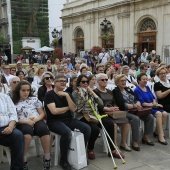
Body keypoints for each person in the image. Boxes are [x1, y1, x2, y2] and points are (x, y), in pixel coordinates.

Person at [44, 75, 91, 170]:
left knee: (87, 128)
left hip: (68, 119)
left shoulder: (67, 94)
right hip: (54, 121)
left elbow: (73, 109)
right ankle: (63, 159)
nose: (63, 83)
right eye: (61, 81)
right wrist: (67, 108)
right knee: (67, 132)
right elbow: (54, 111)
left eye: (65, 81)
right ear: (55, 83)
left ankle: (81, 154)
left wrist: (66, 96)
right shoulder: (49, 95)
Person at [72, 75, 123, 159]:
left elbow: (101, 103)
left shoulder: (90, 91)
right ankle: (90, 149)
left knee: (109, 124)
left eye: (87, 82)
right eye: (83, 82)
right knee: (95, 129)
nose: (85, 84)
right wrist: (83, 95)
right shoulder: (76, 93)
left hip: (94, 115)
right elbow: (79, 108)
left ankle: (112, 150)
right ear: (79, 83)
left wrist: (92, 93)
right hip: (82, 116)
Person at [12, 81, 51, 170]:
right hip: (22, 121)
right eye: (23, 90)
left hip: (36, 119)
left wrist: (36, 119)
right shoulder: (13, 101)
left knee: (44, 130)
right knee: (27, 133)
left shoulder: (34, 99)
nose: (26, 92)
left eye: (28, 90)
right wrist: (26, 122)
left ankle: (47, 157)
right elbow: (12, 117)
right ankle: (24, 159)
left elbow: (42, 113)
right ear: (18, 91)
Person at [113, 74, 155, 151]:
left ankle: (146, 136)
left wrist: (138, 102)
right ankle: (135, 141)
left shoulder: (128, 89)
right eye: (121, 81)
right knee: (135, 119)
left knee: (150, 117)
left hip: (136, 109)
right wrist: (133, 105)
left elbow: (136, 98)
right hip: (126, 111)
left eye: (125, 80)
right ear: (117, 83)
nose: (124, 82)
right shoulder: (116, 91)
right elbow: (121, 104)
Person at [94, 73, 130, 152]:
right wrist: (108, 109)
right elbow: (98, 106)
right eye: (102, 80)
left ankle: (123, 143)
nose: (105, 81)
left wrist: (115, 108)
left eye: (106, 79)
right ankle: (114, 145)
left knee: (126, 122)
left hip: (112, 111)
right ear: (98, 82)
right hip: (102, 113)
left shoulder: (109, 91)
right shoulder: (95, 92)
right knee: (114, 124)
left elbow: (114, 102)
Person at [134, 73, 168, 145]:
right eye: (143, 79)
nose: (145, 80)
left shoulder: (147, 88)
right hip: (146, 108)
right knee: (158, 113)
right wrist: (153, 104)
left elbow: (153, 97)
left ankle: (156, 132)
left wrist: (155, 102)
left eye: (146, 79)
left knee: (164, 113)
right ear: (139, 80)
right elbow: (142, 103)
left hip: (153, 106)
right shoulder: (137, 90)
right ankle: (160, 136)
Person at [0, 93, 24, 170]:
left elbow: (13, 114)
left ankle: (17, 168)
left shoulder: (5, 97)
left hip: (6, 127)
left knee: (18, 136)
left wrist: (10, 126)